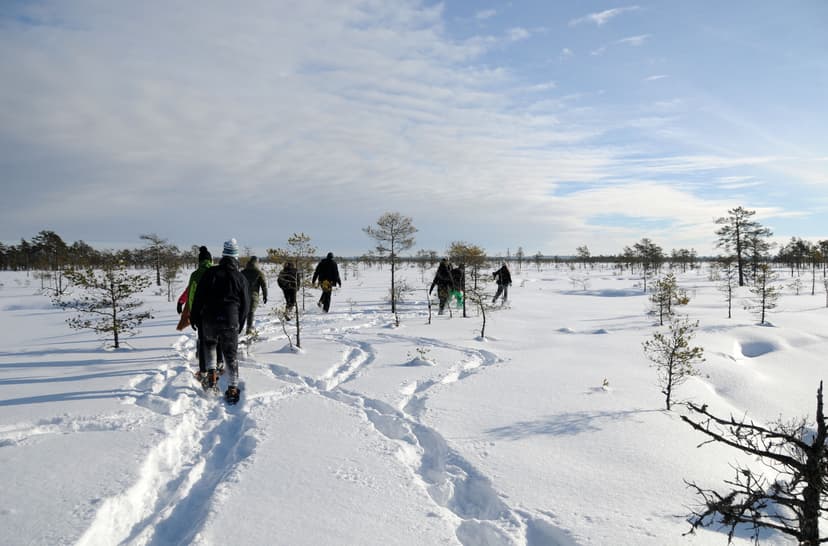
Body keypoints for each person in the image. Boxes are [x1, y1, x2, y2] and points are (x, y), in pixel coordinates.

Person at [190, 238, 249, 404]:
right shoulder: (240, 277)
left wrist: (195, 317)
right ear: (236, 257)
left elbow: (198, 297)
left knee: (210, 345)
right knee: (230, 354)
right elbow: (246, 305)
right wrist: (240, 323)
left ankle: (211, 379)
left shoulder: (210, 273)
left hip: (209, 318)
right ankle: (232, 388)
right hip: (230, 318)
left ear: (223, 255)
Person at [175, 245, 221, 379]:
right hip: (215, 311)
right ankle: (219, 363)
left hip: (199, 312)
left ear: (199, 261)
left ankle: (203, 370)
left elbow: (190, 292)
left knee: (202, 339)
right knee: (217, 338)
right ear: (210, 260)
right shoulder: (216, 272)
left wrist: (184, 304)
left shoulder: (195, 275)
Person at [241, 255, 268, 335]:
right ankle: (249, 329)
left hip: (242, 295)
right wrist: (265, 295)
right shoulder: (259, 273)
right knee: (251, 312)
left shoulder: (242, 272)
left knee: (243, 312)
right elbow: (264, 286)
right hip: (253, 295)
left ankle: (238, 327)